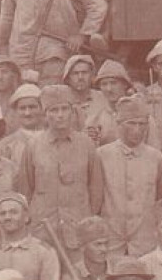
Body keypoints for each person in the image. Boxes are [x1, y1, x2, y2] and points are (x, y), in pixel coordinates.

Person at [14, 85, 105, 224]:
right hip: (43, 226)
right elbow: (25, 189)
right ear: (45, 114)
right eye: (54, 110)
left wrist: (87, 218)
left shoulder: (86, 144)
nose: (60, 115)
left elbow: (96, 188)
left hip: (79, 224)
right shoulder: (33, 146)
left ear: (72, 112)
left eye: (64, 109)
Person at [97, 97, 162, 257]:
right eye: (131, 123)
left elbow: (161, 200)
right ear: (119, 124)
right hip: (110, 240)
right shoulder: (101, 155)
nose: (137, 129)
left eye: (142, 124)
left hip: (145, 242)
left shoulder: (156, 158)